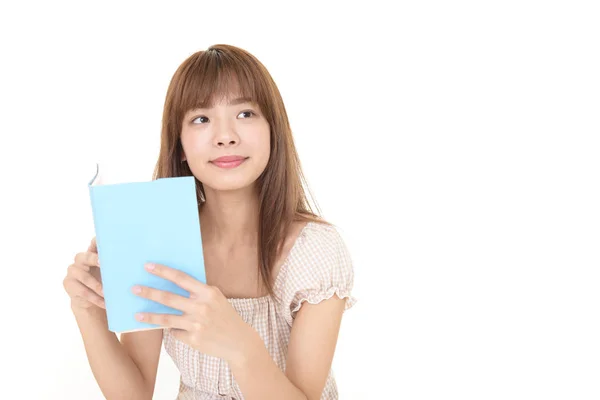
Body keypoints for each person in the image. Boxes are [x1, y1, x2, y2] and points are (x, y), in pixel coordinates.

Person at [63, 44, 356, 400]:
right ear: (181, 146)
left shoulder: (314, 251)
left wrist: (241, 346)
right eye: (201, 119)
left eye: (246, 113)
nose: (225, 135)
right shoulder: (159, 235)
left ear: (272, 130)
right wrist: (87, 309)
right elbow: (132, 394)